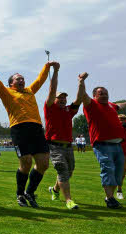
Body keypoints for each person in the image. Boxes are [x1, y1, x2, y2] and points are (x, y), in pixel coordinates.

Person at [0, 51, 56, 208]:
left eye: (22, 78)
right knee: (26, 162)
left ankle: (29, 192)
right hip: (19, 129)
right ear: (11, 84)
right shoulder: (6, 92)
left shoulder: (29, 91)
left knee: (43, 164)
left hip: (36, 128)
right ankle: (20, 194)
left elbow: (40, 80)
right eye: (18, 79)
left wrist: (47, 66)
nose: (22, 80)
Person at [76, 72, 126, 209]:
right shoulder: (91, 105)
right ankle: (110, 198)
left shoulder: (110, 105)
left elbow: (119, 105)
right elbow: (82, 94)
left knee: (118, 173)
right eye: (101, 93)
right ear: (95, 96)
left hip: (117, 145)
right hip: (102, 145)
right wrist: (81, 81)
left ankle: (110, 196)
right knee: (108, 169)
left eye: (106, 93)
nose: (104, 95)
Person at [40, 61, 82, 209]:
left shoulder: (68, 111)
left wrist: (81, 82)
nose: (63, 99)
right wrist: (56, 71)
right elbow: (52, 90)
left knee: (68, 172)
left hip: (68, 146)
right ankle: (69, 201)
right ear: (54, 100)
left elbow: (79, 99)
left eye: (64, 98)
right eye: (60, 98)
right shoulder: (50, 108)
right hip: (54, 146)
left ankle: (55, 189)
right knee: (63, 171)